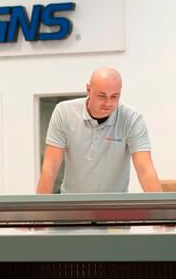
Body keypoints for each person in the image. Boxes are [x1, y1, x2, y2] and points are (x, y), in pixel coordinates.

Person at [36, 66, 162, 194]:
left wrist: (161, 211)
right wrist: (39, 210)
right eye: (102, 96)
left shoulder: (132, 119)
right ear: (88, 90)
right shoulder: (64, 113)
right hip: (72, 204)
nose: (108, 103)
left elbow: (145, 170)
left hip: (115, 206)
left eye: (114, 96)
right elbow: (50, 167)